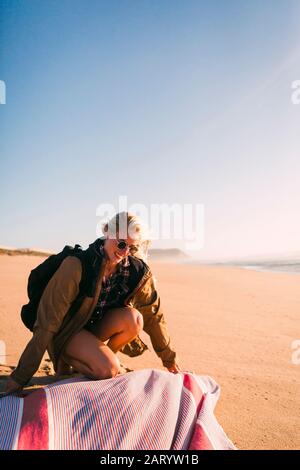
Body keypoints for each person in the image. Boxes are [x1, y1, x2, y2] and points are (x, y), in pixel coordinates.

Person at [5, 212, 180, 395]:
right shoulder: (77, 266)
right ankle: (82, 362)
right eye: (121, 243)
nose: (124, 252)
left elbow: (153, 315)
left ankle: (93, 360)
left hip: (91, 329)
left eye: (132, 247)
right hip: (63, 331)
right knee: (109, 369)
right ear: (106, 231)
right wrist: (21, 376)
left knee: (134, 319)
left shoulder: (135, 271)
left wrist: (169, 359)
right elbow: (47, 322)